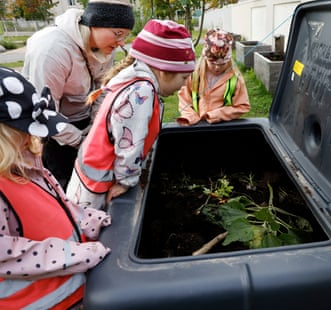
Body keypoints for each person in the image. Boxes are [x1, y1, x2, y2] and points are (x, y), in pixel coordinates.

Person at [0, 67, 111, 309]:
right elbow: (4, 253)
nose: (33, 139)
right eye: (24, 131)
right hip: (41, 303)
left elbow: (60, 208)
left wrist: (92, 221)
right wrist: (78, 254)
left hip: (72, 288)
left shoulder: (25, 165)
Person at [66, 19, 196, 210]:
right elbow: (129, 144)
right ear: (163, 71)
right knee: (90, 229)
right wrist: (125, 181)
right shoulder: (140, 92)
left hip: (93, 176)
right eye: (183, 77)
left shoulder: (135, 78)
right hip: (97, 186)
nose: (185, 84)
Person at [22, 0, 135, 189]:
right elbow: (45, 112)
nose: (121, 42)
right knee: (65, 184)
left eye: (125, 36)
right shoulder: (52, 49)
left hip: (84, 121)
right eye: (118, 34)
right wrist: (81, 141)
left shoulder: (104, 46)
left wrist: (94, 127)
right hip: (54, 132)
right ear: (94, 24)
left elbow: (102, 89)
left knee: (92, 181)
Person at [177, 28, 250, 126]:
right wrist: (190, 117)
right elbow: (184, 100)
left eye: (222, 64)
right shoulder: (193, 75)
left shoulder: (235, 79)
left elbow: (242, 106)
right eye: (212, 63)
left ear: (228, 60)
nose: (217, 68)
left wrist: (216, 115)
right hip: (197, 127)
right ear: (205, 58)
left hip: (221, 127)